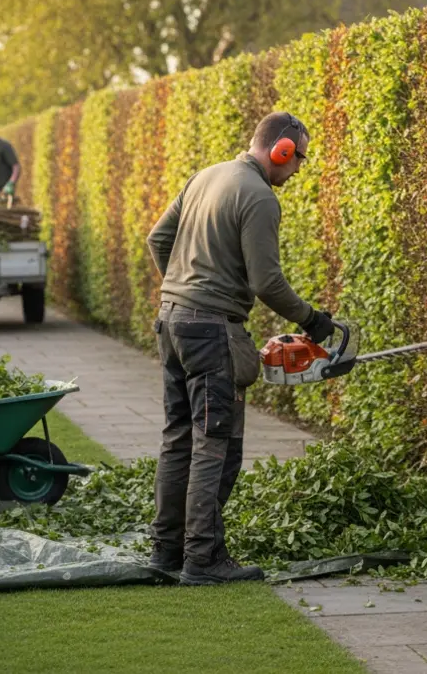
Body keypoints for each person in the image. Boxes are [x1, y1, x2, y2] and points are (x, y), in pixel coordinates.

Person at [145, 111, 335, 585]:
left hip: (170, 324)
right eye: (298, 162)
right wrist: (313, 320)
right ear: (281, 151)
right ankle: (203, 559)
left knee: (177, 439)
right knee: (215, 445)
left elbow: (158, 238)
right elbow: (266, 282)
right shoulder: (259, 197)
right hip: (211, 334)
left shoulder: (205, 176)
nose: (296, 172)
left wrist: (182, 288)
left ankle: (165, 551)